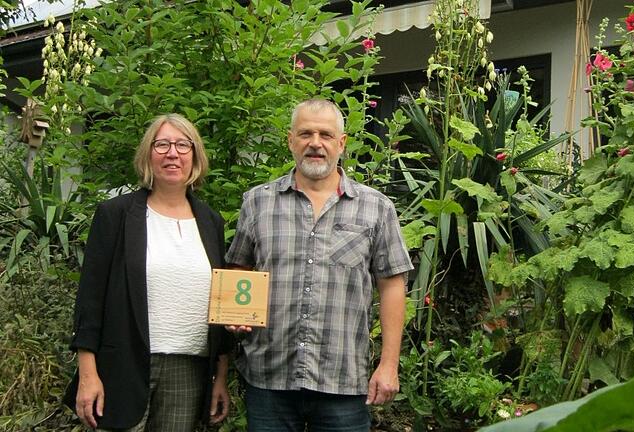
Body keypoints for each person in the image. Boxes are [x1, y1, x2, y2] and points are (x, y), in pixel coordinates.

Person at [226, 98, 413, 431]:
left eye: (325, 135)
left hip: (341, 379)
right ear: (290, 140)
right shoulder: (257, 202)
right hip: (270, 376)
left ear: (341, 143)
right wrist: (236, 315)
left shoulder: (376, 208)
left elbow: (392, 285)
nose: (315, 143)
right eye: (305, 134)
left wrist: (389, 364)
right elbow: (240, 269)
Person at [63, 114, 233, 431]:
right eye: (163, 144)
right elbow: (90, 298)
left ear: (195, 156)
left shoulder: (211, 222)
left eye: (183, 145)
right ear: (148, 154)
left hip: (188, 369)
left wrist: (220, 375)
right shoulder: (115, 215)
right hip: (123, 365)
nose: (173, 153)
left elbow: (221, 302)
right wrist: (88, 374)